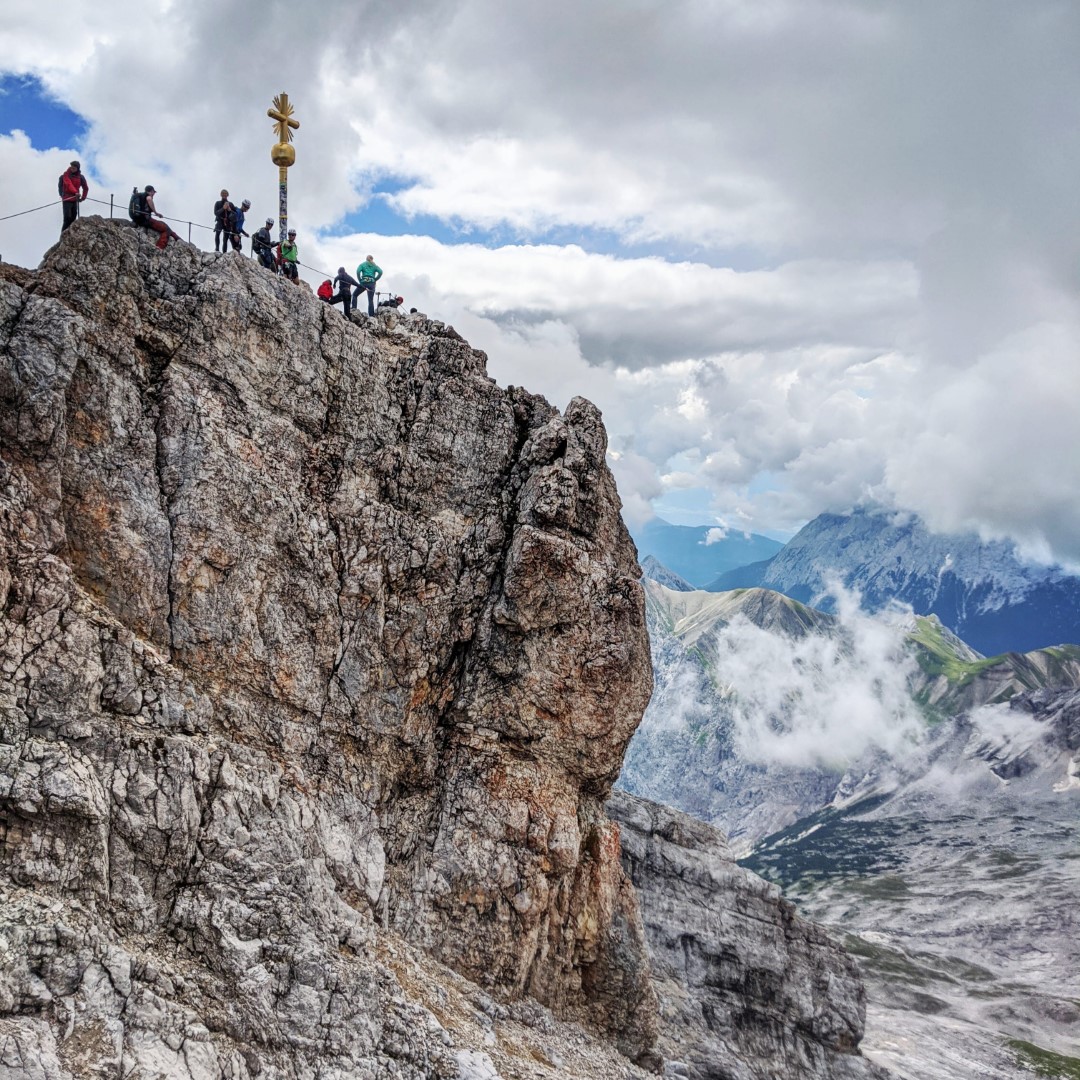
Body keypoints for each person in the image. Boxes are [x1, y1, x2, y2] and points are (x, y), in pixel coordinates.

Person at [58, 161, 88, 233]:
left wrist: (83, 197)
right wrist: (76, 192)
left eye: (74, 168)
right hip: (67, 199)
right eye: (71, 167)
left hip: (75, 199)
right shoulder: (66, 175)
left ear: (77, 168)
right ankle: (63, 235)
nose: (72, 169)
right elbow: (68, 184)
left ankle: (70, 233)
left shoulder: (81, 177)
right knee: (67, 218)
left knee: (73, 217)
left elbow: (85, 187)